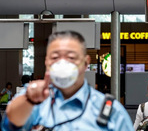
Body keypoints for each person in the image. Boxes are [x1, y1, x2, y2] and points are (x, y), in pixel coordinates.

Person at [1, 30, 134, 131]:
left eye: (71, 57)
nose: (63, 63)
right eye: (55, 57)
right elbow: (8, 126)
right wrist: (28, 100)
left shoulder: (110, 111)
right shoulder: (32, 101)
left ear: (85, 63)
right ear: (46, 61)